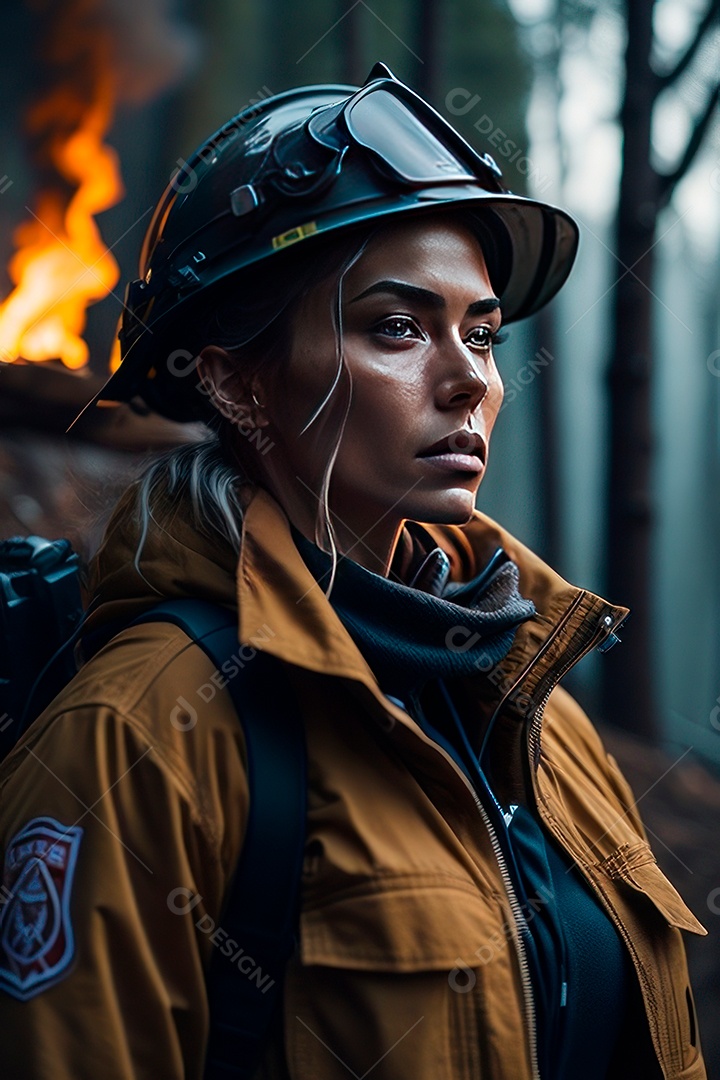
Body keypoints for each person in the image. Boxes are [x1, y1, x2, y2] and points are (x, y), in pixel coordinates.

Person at [0, 64, 707, 1080]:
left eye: (482, 333)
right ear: (238, 381)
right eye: (396, 328)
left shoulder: (539, 711)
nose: (470, 379)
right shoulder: (136, 738)